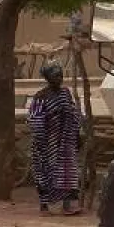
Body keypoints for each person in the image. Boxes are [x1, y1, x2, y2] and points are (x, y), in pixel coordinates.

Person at [26, 62, 83, 216]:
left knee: (66, 174)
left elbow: (73, 113)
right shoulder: (40, 97)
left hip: (65, 142)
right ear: (48, 78)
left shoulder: (65, 93)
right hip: (46, 142)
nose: (59, 78)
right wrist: (42, 140)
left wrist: (77, 134)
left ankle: (67, 206)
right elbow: (36, 120)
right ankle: (44, 206)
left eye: (60, 75)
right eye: (55, 76)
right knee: (44, 174)